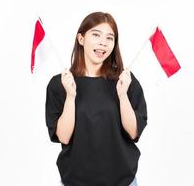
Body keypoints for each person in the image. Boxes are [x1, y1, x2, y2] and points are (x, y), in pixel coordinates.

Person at [45, 11, 147, 186]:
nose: (103, 43)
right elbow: (63, 137)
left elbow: (134, 132)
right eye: (96, 35)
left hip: (122, 181)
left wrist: (122, 96)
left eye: (110, 38)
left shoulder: (125, 81)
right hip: (75, 181)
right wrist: (70, 97)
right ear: (81, 39)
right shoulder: (60, 83)